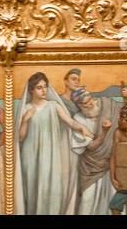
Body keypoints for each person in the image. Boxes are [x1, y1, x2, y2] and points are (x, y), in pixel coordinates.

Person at [16, 71, 84, 214]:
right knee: (33, 191)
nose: (44, 90)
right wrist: (25, 120)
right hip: (31, 157)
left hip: (51, 156)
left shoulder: (54, 106)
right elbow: (21, 138)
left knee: (52, 190)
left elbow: (71, 122)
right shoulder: (27, 109)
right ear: (32, 90)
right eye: (39, 87)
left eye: (45, 86)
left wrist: (84, 129)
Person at [69, 87, 115, 215]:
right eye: (85, 103)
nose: (90, 104)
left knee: (110, 197)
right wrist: (105, 132)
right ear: (79, 106)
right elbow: (91, 146)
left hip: (109, 164)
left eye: (90, 100)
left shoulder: (105, 108)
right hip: (90, 167)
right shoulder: (78, 119)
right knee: (87, 200)